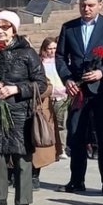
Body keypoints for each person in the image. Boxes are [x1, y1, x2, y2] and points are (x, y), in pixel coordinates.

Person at [54, 0, 103, 195]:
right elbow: (60, 57)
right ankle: (76, 180)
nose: (86, 9)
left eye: (90, 5)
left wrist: (102, 72)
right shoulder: (69, 28)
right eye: (82, 5)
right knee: (76, 135)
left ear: (100, 5)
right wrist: (68, 78)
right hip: (78, 90)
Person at [0, 11, 46, 205]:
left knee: (21, 155)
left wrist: (16, 89)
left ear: (14, 29)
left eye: (4, 27)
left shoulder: (27, 53)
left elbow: (41, 83)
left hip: (19, 112)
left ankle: (23, 199)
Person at [33, 37, 67, 189]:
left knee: (58, 126)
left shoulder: (60, 62)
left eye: (54, 48)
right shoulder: (39, 62)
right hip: (40, 101)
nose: (52, 51)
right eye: (49, 48)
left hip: (57, 97)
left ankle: (61, 149)